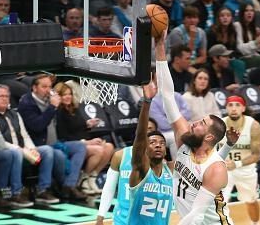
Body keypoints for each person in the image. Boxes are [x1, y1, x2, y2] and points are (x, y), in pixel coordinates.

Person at [155, 30, 236, 224]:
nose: (194, 123)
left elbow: (196, 215)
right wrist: (159, 46)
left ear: (209, 137)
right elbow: (167, 94)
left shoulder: (216, 169)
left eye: (202, 124)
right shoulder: (185, 139)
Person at [18, 74, 87, 200]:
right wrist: (52, 107)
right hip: (36, 146)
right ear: (34, 88)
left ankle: (69, 185)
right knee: (58, 155)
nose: (48, 90)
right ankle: (44, 189)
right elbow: (37, 126)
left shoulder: (50, 99)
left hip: (55, 142)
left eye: (49, 87)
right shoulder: (27, 103)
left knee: (80, 146)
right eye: (44, 87)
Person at [0, 84, 60, 204]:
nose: (4, 98)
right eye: (1, 96)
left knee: (47, 150)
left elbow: (25, 135)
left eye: (7, 96)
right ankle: (16, 193)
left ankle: (42, 190)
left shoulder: (14, 114)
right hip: (4, 152)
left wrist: (32, 148)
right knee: (16, 152)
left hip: (23, 151)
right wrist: (19, 149)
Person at [53, 82, 115, 195]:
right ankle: (83, 180)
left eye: (70, 94)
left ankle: (91, 178)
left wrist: (87, 124)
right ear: (58, 96)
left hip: (84, 141)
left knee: (109, 147)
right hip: (69, 145)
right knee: (98, 150)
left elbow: (77, 127)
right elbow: (63, 136)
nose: (68, 97)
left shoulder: (74, 109)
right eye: (64, 95)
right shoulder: (58, 112)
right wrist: (87, 142)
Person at [95, 118, 158, 225]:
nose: (146, 131)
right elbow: (109, 187)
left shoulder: (159, 160)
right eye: (143, 128)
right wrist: (100, 216)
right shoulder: (120, 155)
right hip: (122, 218)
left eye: (150, 129)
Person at [128, 83, 174, 225]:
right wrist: (147, 102)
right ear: (145, 149)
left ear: (166, 150)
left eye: (161, 142)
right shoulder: (141, 169)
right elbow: (140, 136)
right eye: (152, 142)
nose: (158, 145)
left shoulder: (170, 172)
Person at [221, 95, 260, 225]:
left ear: (243, 108)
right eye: (230, 105)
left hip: (245, 169)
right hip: (224, 170)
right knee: (218, 204)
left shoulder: (253, 125)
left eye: (237, 105)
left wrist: (237, 164)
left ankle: (255, 223)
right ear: (226, 108)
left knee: (250, 200)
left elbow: (256, 155)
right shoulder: (219, 125)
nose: (234, 108)